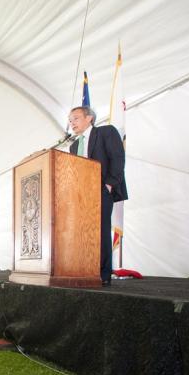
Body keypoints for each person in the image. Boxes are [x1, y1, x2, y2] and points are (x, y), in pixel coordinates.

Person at [68, 105, 128, 286]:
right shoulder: (73, 146)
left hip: (102, 189)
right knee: (83, 232)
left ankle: (103, 274)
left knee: (101, 230)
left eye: (76, 118)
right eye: (70, 121)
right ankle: (86, 269)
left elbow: (117, 157)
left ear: (89, 118)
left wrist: (109, 185)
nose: (72, 123)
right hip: (81, 194)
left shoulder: (105, 132)